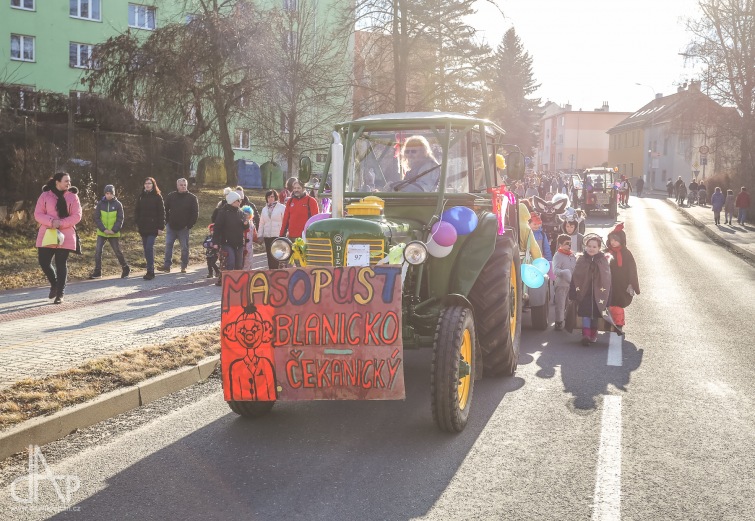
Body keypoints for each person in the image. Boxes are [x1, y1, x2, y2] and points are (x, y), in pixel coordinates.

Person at [34, 172, 82, 304]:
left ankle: (60, 293)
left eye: (69, 181)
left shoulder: (73, 197)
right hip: (48, 232)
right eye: (66, 181)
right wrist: (51, 221)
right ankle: (54, 284)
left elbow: (77, 216)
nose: (69, 183)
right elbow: (38, 214)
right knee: (44, 262)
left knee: (61, 264)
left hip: (65, 234)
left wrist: (60, 223)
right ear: (57, 182)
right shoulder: (45, 195)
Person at [569, 234, 612, 346]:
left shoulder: (603, 261)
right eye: (589, 246)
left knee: (595, 316)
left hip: (598, 294)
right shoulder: (582, 260)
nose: (591, 249)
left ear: (599, 248)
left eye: (594, 247)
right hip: (584, 293)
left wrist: (608, 297)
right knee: (586, 314)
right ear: (585, 246)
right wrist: (573, 292)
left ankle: (593, 334)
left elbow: (607, 280)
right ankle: (586, 335)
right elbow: (576, 276)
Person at [604, 223, 640, 333]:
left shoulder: (626, 253)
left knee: (619, 303)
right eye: (611, 240)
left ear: (622, 240)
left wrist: (632, 284)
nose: (613, 242)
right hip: (608, 282)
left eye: (616, 240)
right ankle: (608, 322)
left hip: (621, 283)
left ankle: (619, 323)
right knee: (608, 302)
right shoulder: (606, 252)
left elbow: (632, 269)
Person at [89, 184, 129, 279]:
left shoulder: (118, 204)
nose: (108, 195)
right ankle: (98, 271)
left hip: (113, 233)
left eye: (110, 193)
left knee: (117, 251)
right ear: (105, 194)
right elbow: (97, 218)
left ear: (113, 194)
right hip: (102, 232)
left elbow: (120, 219)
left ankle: (125, 267)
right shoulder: (100, 204)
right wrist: (104, 229)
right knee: (98, 251)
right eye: (107, 193)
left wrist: (114, 230)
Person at [160, 178, 198, 273]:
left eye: (185, 185)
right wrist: (167, 222)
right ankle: (167, 266)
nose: (183, 186)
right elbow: (165, 210)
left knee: (184, 247)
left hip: (184, 228)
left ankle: (184, 266)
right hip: (171, 226)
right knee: (168, 245)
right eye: (181, 185)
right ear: (177, 186)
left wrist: (189, 225)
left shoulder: (192, 198)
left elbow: (195, 213)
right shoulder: (171, 196)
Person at [213, 191, 248, 285]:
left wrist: (246, 224)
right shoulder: (223, 212)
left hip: (239, 243)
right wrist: (215, 242)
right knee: (230, 262)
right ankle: (228, 282)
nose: (239, 202)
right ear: (232, 201)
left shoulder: (241, 212)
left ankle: (238, 282)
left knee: (239, 264)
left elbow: (245, 227)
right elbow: (217, 228)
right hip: (227, 242)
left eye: (240, 200)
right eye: (237, 200)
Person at [135, 177, 165, 280]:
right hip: (143, 227)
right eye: (146, 183)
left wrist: (161, 227)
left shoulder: (157, 197)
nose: (147, 185)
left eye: (149, 183)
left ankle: (150, 271)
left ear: (153, 185)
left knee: (149, 247)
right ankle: (149, 267)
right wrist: (137, 223)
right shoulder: (141, 197)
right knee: (146, 249)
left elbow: (162, 213)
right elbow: (137, 211)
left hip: (153, 228)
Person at [552, 234, 576, 331]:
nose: (569, 246)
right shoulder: (558, 255)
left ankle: (568, 320)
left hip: (571, 284)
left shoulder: (572, 255)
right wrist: (564, 272)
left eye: (570, 244)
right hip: (561, 284)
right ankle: (559, 321)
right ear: (560, 244)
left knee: (569, 303)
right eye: (566, 244)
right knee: (560, 303)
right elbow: (555, 270)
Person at [258, 189, 286, 269]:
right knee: (269, 256)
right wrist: (260, 235)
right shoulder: (264, 209)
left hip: (277, 235)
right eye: (268, 197)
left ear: (275, 197)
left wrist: (284, 233)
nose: (270, 198)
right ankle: (271, 273)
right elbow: (262, 223)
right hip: (267, 236)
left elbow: (285, 221)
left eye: (272, 196)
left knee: (277, 256)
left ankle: (278, 273)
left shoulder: (282, 208)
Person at [241, 205, 257, 271]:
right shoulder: (241, 222)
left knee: (249, 261)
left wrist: (258, 239)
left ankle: (249, 274)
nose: (247, 216)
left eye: (248, 214)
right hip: (242, 245)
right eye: (245, 214)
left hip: (250, 245)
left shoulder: (252, 224)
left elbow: (254, 234)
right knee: (242, 261)